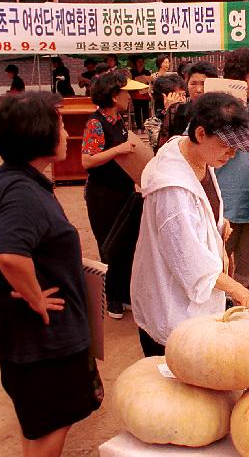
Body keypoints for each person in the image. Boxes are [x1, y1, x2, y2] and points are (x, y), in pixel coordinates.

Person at [0, 91, 102, 456]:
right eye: (60, 126)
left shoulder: (12, 179)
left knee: (39, 421)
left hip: (26, 337)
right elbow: (10, 255)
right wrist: (36, 298)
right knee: (53, 422)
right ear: (38, 135)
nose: (65, 134)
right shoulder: (21, 192)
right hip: (41, 339)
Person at [132, 92, 249, 355]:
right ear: (201, 134)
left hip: (192, 306)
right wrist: (238, 289)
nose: (232, 153)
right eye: (226, 144)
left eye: (237, 146)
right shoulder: (173, 191)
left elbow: (199, 211)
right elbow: (191, 263)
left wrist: (215, 223)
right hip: (174, 310)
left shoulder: (196, 154)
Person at [81, 70, 147, 319]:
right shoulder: (95, 123)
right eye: (125, 92)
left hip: (124, 192)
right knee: (108, 244)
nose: (130, 97)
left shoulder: (117, 120)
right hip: (103, 195)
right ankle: (113, 300)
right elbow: (87, 160)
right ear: (112, 95)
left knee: (126, 242)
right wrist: (118, 149)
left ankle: (124, 293)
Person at [215, 48, 249, 289]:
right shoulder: (218, 109)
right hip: (226, 204)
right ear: (239, 77)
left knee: (248, 272)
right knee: (216, 268)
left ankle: (242, 314)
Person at [158, 61, 218, 147]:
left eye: (203, 84)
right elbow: (165, 144)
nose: (198, 90)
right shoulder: (179, 110)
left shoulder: (223, 112)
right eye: (193, 83)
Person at [129, 55, 153, 133]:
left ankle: (146, 127)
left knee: (146, 111)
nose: (140, 63)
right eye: (139, 62)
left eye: (142, 62)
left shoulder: (147, 72)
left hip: (145, 94)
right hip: (135, 94)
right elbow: (129, 82)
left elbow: (150, 82)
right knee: (137, 111)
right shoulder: (132, 72)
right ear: (135, 63)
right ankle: (139, 127)